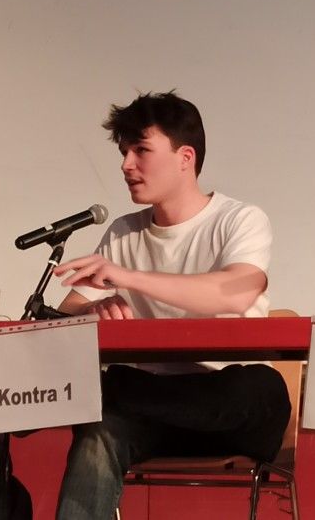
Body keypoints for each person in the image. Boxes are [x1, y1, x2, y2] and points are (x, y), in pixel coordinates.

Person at [50, 91, 291, 519]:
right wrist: (92, 313)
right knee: (100, 428)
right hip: (154, 415)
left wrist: (127, 277)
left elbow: (237, 291)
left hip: (234, 413)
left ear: (185, 157)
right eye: (124, 153)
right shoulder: (123, 232)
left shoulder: (239, 219)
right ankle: (115, 393)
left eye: (141, 150)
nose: (126, 165)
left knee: (258, 385)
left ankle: (114, 392)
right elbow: (64, 315)